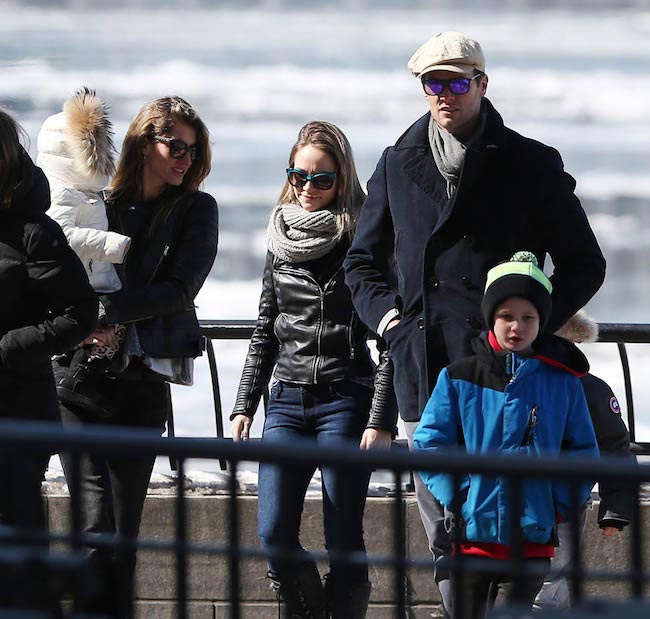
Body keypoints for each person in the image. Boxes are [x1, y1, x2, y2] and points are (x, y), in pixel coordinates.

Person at [343, 30, 606, 611]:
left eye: (457, 82)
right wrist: (390, 321)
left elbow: (587, 263)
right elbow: (361, 261)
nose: (444, 94)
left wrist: (532, 321)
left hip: (515, 377)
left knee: (526, 533)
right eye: (433, 83)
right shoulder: (396, 162)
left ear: (482, 86)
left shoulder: (531, 164)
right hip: (430, 370)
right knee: (448, 534)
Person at [53, 96, 218, 618]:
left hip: (142, 381)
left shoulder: (195, 209)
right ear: (144, 142)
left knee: (121, 534)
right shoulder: (98, 199)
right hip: (77, 381)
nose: (184, 160)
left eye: (193, 151)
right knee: (93, 526)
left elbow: (179, 287)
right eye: (175, 146)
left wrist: (104, 313)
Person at [230, 121, 397, 619]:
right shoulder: (279, 238)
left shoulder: (364, 243)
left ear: (341, 181)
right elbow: (266, 328)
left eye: (321, 179)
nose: (306, 188)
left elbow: (392, 335)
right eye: (298, 176)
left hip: (345, 397)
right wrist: (244, 405)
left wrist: (380, 416)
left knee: (342, 531)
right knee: (273, 531)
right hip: (285, 399)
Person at [413, 251, 600, 619]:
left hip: (532, 543)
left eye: (528, 318)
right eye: (506, 316)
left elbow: (584, 453)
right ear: (490, 318)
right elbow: (428, 442)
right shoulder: (458, 376)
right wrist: (460, 495)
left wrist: (555, 504)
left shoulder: (563, 383)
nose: (517, 326)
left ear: (542, 321)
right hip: (470, 539)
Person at [0, 108, 97, 608]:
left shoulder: (34, 232)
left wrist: (6, 348)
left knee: (17, 565)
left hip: (17, 419)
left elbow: (80, 315)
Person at [37, 87, 131, 420]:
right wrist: (113, 244)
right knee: (86, 337)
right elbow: (60, 236)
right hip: (82, 283)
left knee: (104, 337)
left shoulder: (86, 192)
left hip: (95, 279)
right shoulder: (59, 193)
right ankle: (73, 385)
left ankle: (86, 383)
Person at [533, 310, 634, 610]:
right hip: (525, 500)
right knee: (539, 583)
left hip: (564, 503)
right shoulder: (510, 382)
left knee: (548, 583)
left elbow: (613, 446)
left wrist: (615, 507)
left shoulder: (589, 388)